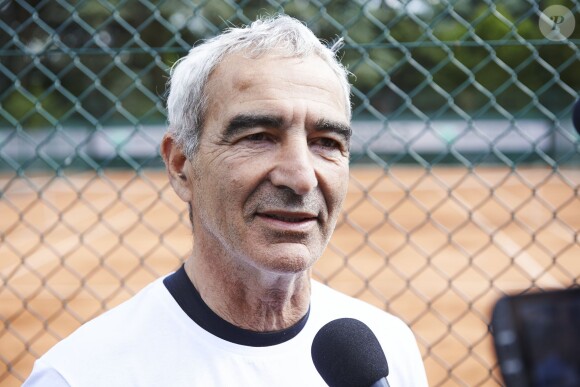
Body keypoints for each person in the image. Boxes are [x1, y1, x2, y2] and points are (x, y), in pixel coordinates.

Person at [24, 15, 428, 386]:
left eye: (326, 143)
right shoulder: (80, 375)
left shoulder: (390, 350)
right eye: (258, 137)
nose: (302, 177)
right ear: (182, 166)